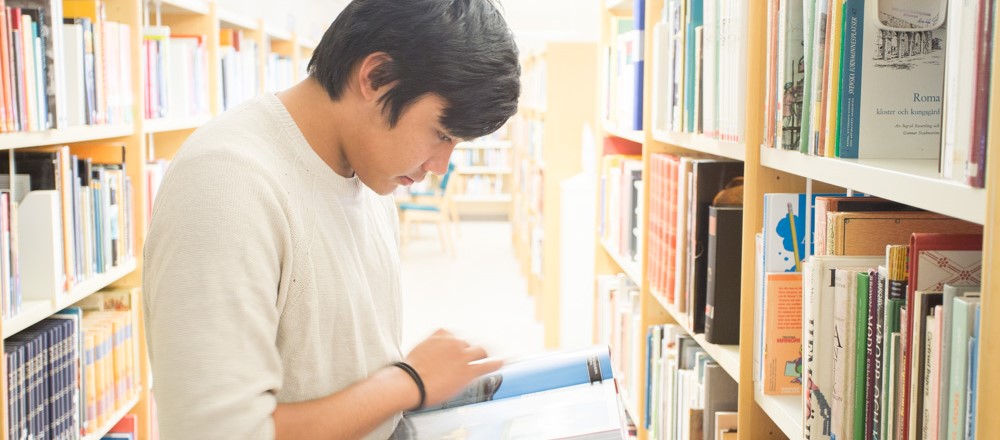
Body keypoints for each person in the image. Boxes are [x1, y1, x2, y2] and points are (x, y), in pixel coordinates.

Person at [141, 0, 521, 438]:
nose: (439, 165)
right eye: (441, 134)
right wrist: (409, 382)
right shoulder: (224, 183)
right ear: (377, 78)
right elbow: (221, 432)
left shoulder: (371, 174)